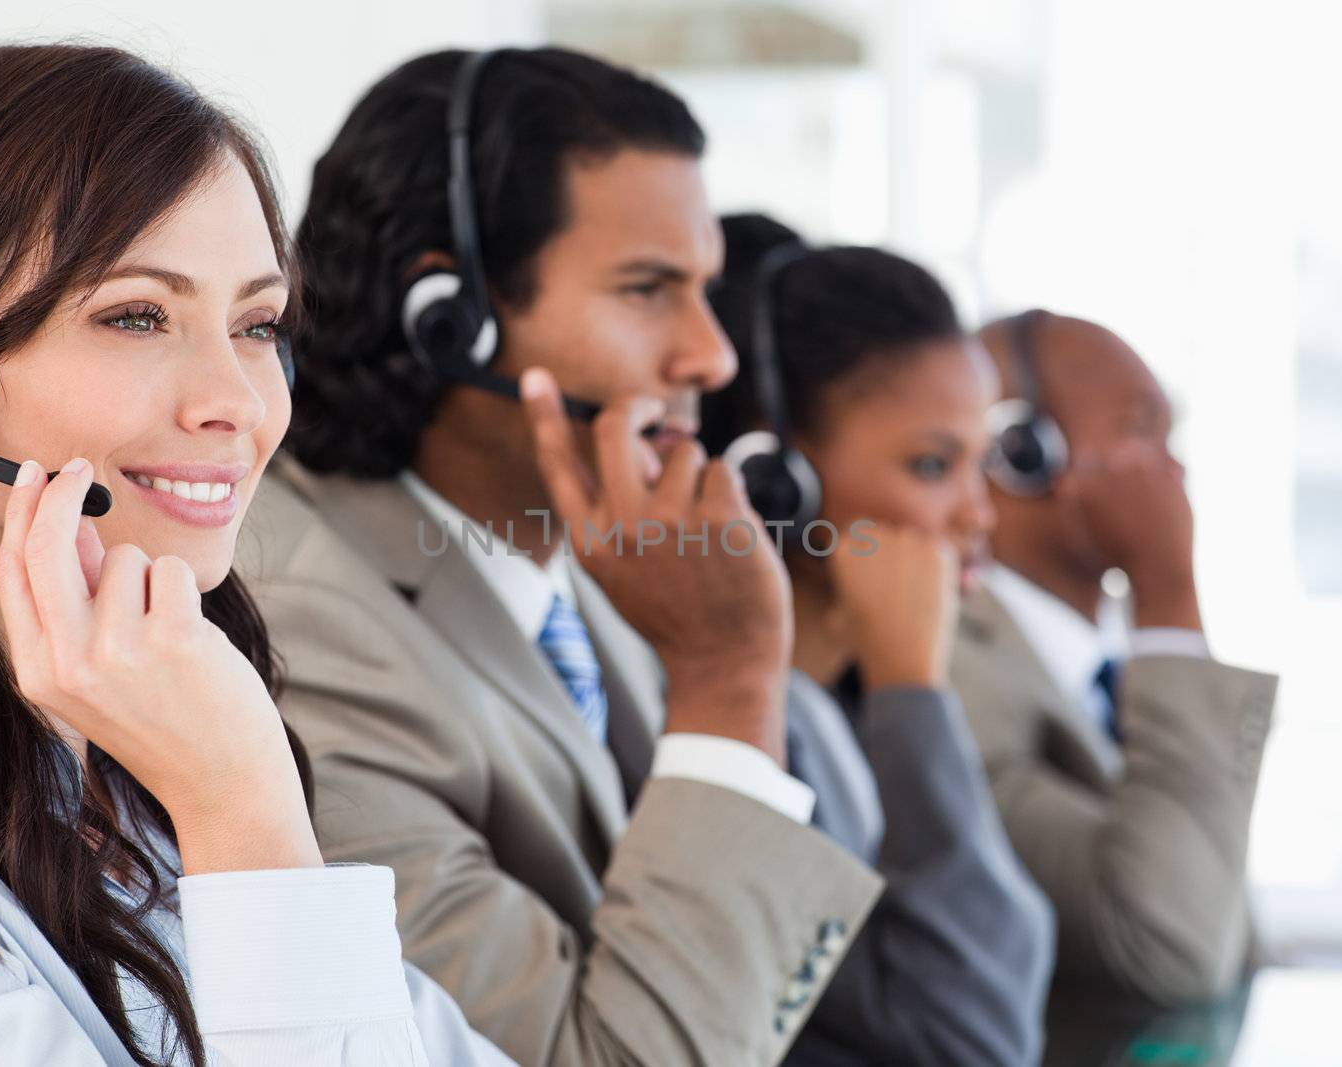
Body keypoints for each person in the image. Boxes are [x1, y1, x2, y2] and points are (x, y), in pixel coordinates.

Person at [0, 44, 513, 1067]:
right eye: (138, 315)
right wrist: (242, 815)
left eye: (257, 322)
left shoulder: (130, 795)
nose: (239, 403)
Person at [239, 47, 883, 1066]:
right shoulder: (298, 626)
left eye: (705, 288)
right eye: (645, 288)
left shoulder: (603, 555)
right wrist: (729, 678)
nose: (709, 356)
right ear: (445, 316)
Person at [698, 213, 1054, 1066]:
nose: (980, 512)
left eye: (983, 460)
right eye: (932, 466)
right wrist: (911, 688)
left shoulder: (836, 708)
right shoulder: (743, 740)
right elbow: (973, 1037)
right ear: (774, 480)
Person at [953, 308, 1278, 1004]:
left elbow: (1232, 928)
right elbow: (1178, 942)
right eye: (1142, 428)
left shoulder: (1109, 670)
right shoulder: (954, 672)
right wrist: (1168, 595)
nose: (1174, 467)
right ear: (1021, 451)